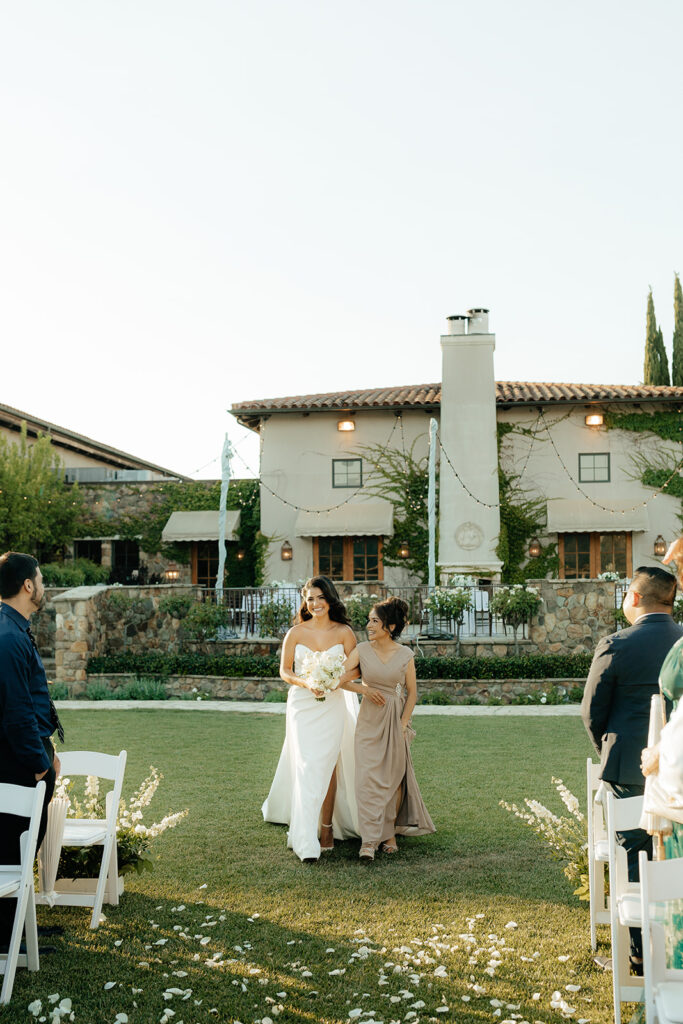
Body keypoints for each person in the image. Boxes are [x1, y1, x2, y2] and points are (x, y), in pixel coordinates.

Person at [581, 564, 683, 971]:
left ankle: (642, 955)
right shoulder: (680, 640)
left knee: (637, 859)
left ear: (635, 597)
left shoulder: (617, 643)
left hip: (629, 771)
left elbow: (593, 712)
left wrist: (611, 750)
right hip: (680, 770)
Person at [262, 576, 361, 862]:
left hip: (333, 704)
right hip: (303, 704)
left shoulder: (344, 632)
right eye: (310, 599)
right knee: (307, 764)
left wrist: (335, 679)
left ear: (330, 599)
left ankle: (327, 827)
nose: (315, 604)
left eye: (320, 597)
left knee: (328, 763)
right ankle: (304, 837)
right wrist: (308, 683)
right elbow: (285, 672)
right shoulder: (295, 632)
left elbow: (356, 670)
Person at [0, 552, 63, 952]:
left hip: (30, 757)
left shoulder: (13, 628)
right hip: (18, 765)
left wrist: (49, 744)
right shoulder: (6, 636)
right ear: (27, 585)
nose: (42, 585)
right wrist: (40, 764)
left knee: (23, 847)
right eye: (39, 579)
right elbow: (16, 712)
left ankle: (24, 928)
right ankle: (11, 939)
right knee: (12, 848)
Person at [343, 597, 435, 860]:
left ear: (390, 626)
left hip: (395, 719)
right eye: (369, 620)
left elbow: (413, 693)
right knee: (367, 780)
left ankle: (389, 833)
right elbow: (338, 679)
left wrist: (403, 724)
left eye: (374, 621)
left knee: (393, 781)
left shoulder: (406, 655)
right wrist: (365, 689)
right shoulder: (361, 649)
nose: (368, 625)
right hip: (369, 722)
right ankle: (369, 840)